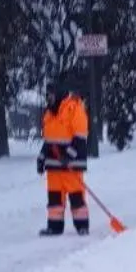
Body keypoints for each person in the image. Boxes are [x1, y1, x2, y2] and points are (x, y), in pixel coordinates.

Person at [37, 75, 90, 236]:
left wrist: (70, 155)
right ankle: (54, 226)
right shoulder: (48, 113)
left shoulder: (74, 108)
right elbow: (48, 140)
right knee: (54, 199)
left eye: (50, 94)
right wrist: (41, 158)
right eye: (46, 95)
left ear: (59, 93)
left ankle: (82, 226)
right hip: (54, 165)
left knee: (76, 196)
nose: (48, 98)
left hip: (71, 165)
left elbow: (80, 137)